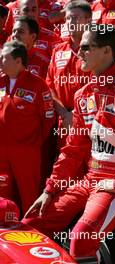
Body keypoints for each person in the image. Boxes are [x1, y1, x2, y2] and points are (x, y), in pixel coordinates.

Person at [22, 24, 115, 263]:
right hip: (90, 179)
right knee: (32, 224)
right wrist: (50, 190)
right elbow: (73, 150)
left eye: (86, 47)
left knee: (81, 239)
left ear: (107, 51)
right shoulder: (82, 95)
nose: (79, 52)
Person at [0, 40, 54, 214]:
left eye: (3, 58)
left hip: (26, 151)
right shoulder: (0, 81)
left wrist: (33, 142)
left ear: (18, 61)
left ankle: (33, 232)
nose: (0, 61)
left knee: (29, 196)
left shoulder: (38, 84)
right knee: (2, 195)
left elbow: (48, 117)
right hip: (2, 150)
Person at [46, 0, 92, 150]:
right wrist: (64, 114)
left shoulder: (97, 48)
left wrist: (76, 113)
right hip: (64, 118)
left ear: (88, 20)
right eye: (67, 18)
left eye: (75, 17)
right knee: (64, 164)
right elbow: (49, 85)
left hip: (90, 118)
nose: (70, 22)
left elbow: (100, 83)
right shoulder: (58, 49)